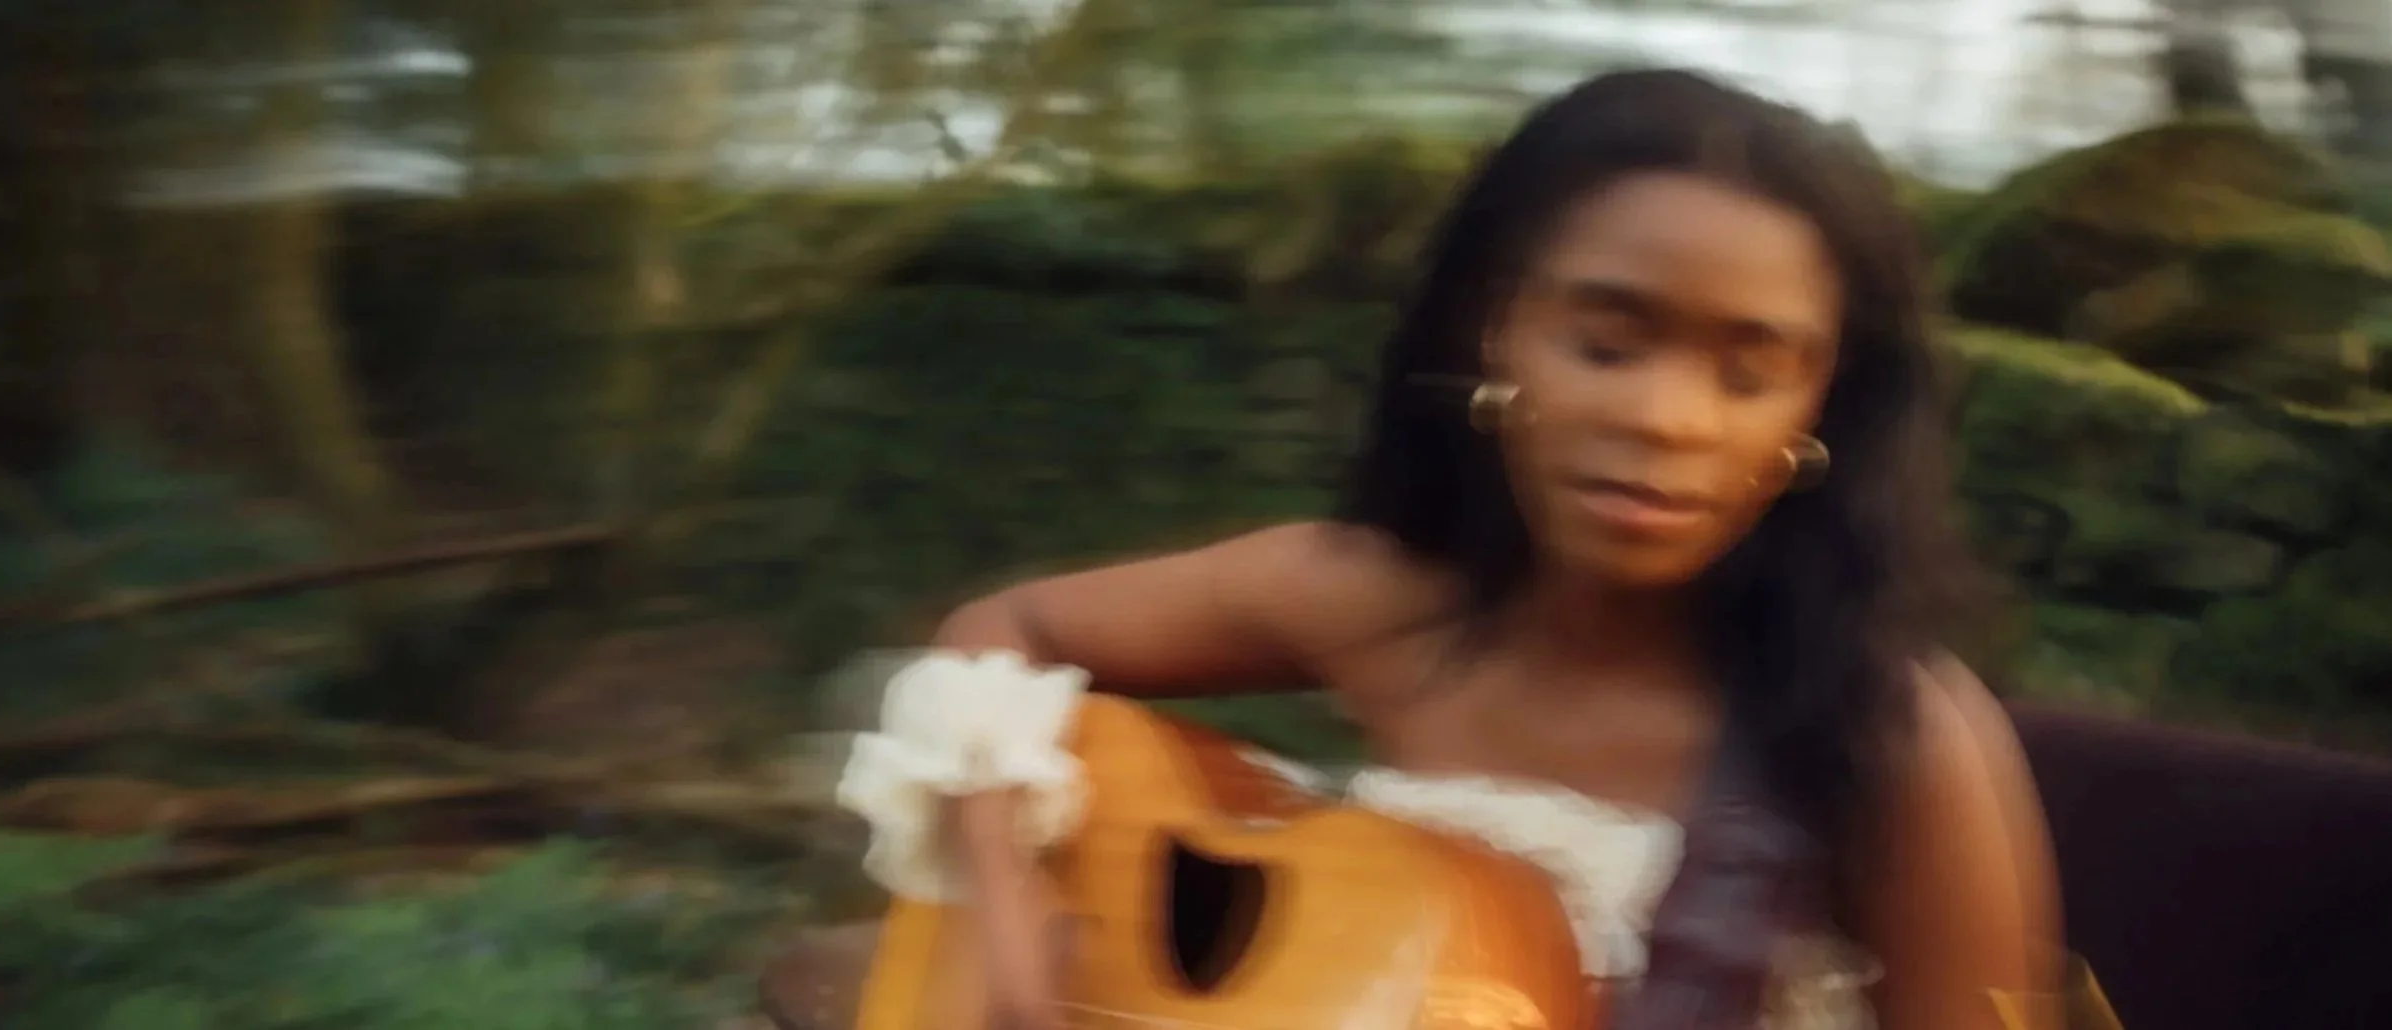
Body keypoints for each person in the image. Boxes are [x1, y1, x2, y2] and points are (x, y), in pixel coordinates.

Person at [828, 68, 2063, 1030]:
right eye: (1607, 343)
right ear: (1498, 334)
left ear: (1814, 413)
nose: (1665, 418)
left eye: (1748, 371)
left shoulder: (1890, 736)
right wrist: (1005, 891)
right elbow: (1008, 630)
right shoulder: (1369, 595)